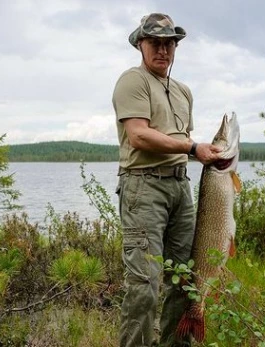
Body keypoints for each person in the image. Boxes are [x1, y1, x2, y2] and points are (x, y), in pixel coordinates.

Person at [112, 13, 221, 347]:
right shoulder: (133, 81)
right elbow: (139, 137)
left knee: (185, 281)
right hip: (143, 188)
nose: (163, 50)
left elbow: (179, 139)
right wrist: (192, 147)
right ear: (140, 45)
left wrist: (203, 152)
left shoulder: (184, 91)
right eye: (155, 43)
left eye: (169, 43)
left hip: (180, 188)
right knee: (144, 285)